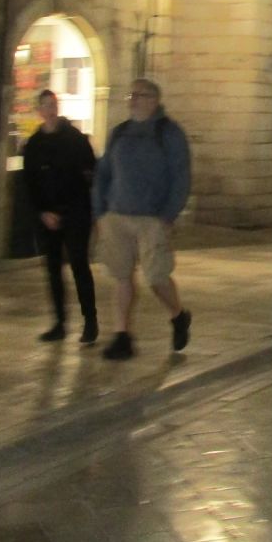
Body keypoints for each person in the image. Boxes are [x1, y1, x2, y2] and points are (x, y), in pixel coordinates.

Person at [93, 78, 192, 360]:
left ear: (154, 100)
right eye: (131, 95)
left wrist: (168, 215)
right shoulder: (119, 133)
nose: (133, 99)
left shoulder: (170, 133)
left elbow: (181, 178)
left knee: (156, 276)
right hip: (117, 215)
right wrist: (99, 212)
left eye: (140, 95)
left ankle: (178, 315)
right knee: (121, 276)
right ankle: (122, 335)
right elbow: (103, 174)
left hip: (152, 218)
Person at [21, 90, 98, 344]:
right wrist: (43, 212)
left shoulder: (74, 139)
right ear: (39, 110)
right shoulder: (34, 145)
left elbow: (88, 172)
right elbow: (30, 183)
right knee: (53, 270)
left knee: (79, 265)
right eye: (44, 105)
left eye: (52, 104)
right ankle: (59, 322)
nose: (49, 109)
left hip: (75, 212)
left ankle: (90, 321)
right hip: (47, 217)